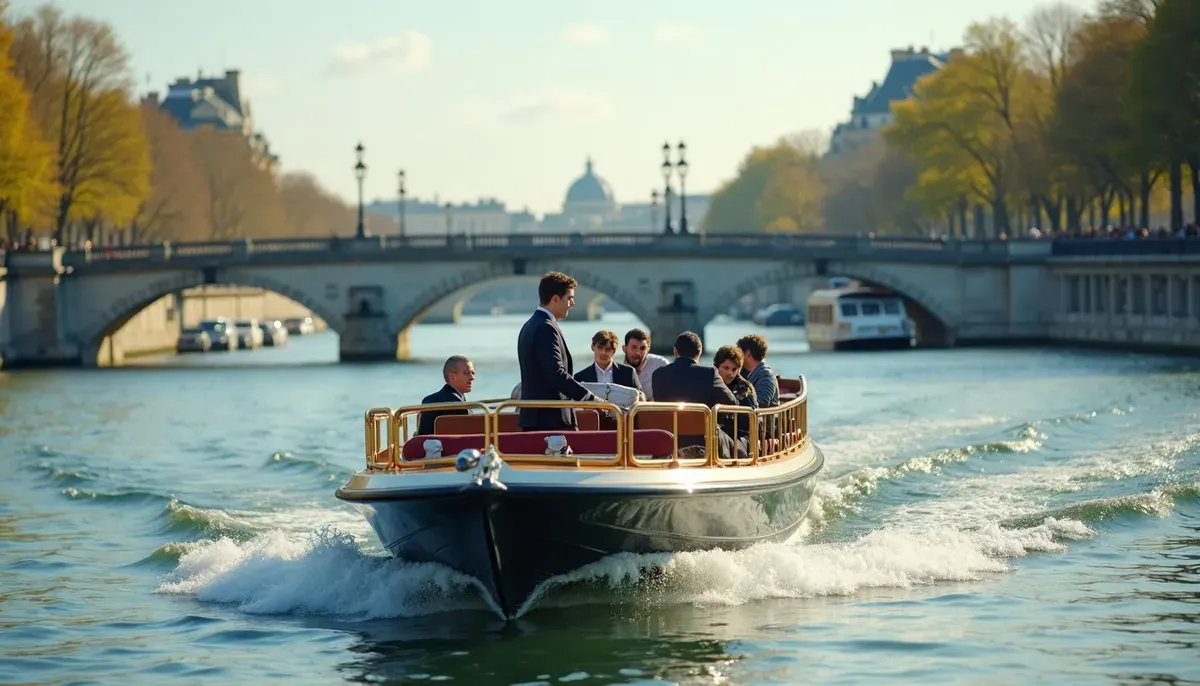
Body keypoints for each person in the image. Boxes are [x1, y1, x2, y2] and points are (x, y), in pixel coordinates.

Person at [516, 272, 597, 431]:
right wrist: (589, 398)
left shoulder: (531, 324)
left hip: (537, 418)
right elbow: (555, 373)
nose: (572, 303)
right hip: (550, 420)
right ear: (555, 299)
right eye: (569, 298)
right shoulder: (546, 327)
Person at [651, 331, 739, 460]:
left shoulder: (658, 374)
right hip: (702, 444)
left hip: (668, 442)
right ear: (700, 352)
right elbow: (732, 403)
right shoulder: (709, 374)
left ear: (675, 351)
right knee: (734, 444)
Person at [416, 355, 476, 436]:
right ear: (452, 377)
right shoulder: (457, 404)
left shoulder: (428, 400)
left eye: (473, 373)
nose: (472, 377)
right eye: (466, 373)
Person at [713, 345, 758, 439]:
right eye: (726, 368)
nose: (730, 373)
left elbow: (749, 419)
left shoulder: (744, 388)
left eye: (734, 369)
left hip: (740, 437)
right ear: (716, 367)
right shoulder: (710, 383)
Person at [575, 330, 642, 391]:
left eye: (608, 349)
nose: (603, 352)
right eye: (600, 347)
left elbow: (641, 397)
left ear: (614, 351)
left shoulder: (629, 373)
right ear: (593, 347)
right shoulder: (580, 377)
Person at [621, 328, 670, 401]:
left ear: (648, 349)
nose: (637, 352)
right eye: (633, 347)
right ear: (624, 348)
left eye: (642, 348)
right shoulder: (618, 371)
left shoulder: (661, 365)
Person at [737, 334, 780, 408]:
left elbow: (762, 401)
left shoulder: (766, 375)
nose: (737, 357)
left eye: (739, 352)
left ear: (748, 353)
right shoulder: (749, 372)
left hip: (762, 419)